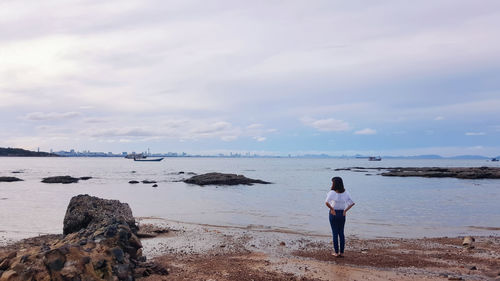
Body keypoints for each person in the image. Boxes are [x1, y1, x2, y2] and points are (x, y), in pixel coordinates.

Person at [325, 176, 355, 257]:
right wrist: (345, 211)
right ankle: (341, 252)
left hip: (333, 213)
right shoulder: (346, 193)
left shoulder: (332, 192)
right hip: (342, 214)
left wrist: (332, 209)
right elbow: (352, 203)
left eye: (332, 182)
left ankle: (336, 252)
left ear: (334, 184)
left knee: (335, 233)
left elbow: (326, 202)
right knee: (341, 233)